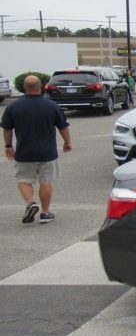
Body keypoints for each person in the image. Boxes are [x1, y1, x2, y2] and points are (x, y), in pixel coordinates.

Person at [2, 75, 72, 224]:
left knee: (24, 180)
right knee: (46, 181)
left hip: (24, 152)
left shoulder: (13, 107)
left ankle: (30, 203)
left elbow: (7, 129)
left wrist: (8, 146)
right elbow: (63, 127)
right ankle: (45, 213)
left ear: (24, 88)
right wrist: (67, 142)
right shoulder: (52, 105)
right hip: (47, 153)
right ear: (41, 87)